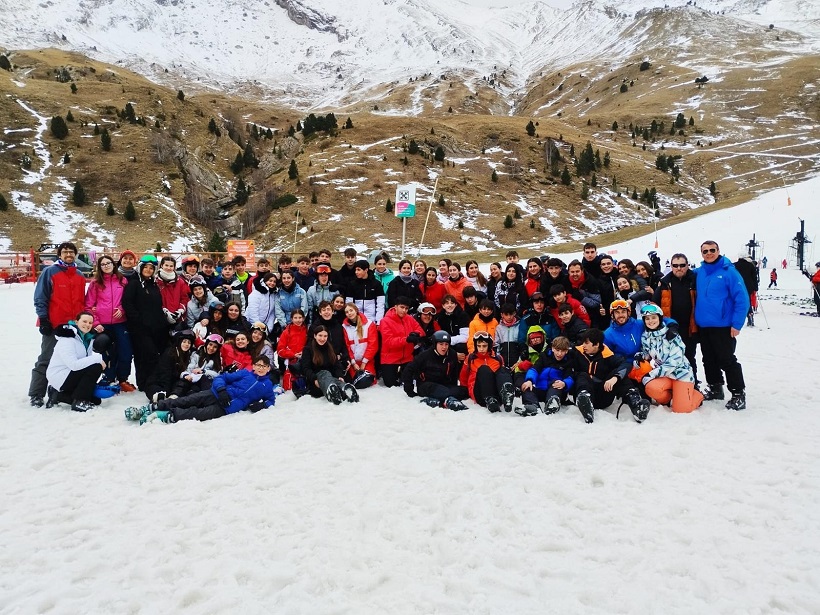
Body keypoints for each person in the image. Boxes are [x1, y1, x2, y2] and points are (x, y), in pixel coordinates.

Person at [125, 355, 279, 424]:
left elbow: (271, 401)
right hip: (215, 394)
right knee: (187, 400)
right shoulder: (245, 373)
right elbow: (222, 378)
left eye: (264, 366)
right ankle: (150, 408)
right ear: (254, 365)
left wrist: (261, 405)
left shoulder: (267, 387)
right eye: (258, 365)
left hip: (226, 408)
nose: (260, 368)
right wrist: (221, 390)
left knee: (197, 414)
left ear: (268, 369)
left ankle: (161, 415)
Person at [29, 241, 87, 407]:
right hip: (54, 324)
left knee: (69, 360)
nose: (68, 255)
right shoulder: (50, 272)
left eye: (71, 252)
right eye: (65, 252)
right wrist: (44, 319)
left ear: (75, 255)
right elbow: (40, 297)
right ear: (59, 255)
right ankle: (36, 393)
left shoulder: (79, 275)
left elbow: (80, 301)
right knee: (46, 358)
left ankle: (58, 391)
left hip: (73, 327)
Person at [694, 240, 749, 410]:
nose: (709, 253)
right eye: (705, 251)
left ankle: (738, 393)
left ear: (718, 251)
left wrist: (737, 324)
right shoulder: (700, 272)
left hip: (723, 326)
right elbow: (680, 274)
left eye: (712, 250)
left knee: (726, 359)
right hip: (704, 325)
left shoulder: (729, 272)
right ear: (701, 254)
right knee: (708, 359)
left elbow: (742, 299)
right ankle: (715, 387)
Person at [566, 328, 647, 424]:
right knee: (582, 375)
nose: (583, 345)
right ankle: (585, 404)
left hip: (603, 396)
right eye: (583, 342)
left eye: (587, 343)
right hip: (582, 392)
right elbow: (559, 351)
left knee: (619, 374)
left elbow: (626, 365)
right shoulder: (577, 352)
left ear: (596, 344)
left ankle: (636, 405)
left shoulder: (608, 356)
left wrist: (615, 378)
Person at [637, 304, 703, 414]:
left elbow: (674, 362)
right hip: (665, 376)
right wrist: (640, 355)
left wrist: (652, 374)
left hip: (680, 374)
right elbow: (647, 353)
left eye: (654, 317)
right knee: (650, 388)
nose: (650, 321)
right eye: (647, 319)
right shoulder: (645, 337)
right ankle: (671, 397)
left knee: (681, 410)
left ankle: (697, 396)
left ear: (660, 318)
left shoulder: (671, 334)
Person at [85, 254, 134, 391]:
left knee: (125, 351)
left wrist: (122, 309)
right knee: (108, 352)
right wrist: (96, 323)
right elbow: (89, 305)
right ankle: (108, 378)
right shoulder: (95, 283)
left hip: (120, 322)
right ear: (100, 267)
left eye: (109, 263)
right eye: (103, 264)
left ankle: (123, 378)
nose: (106, 266)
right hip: (103, 324)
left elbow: (128, 300)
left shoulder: (122, 280)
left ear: (114, 264)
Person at [45, 312, 107, 412]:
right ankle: (79, 402)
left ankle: (57, 395)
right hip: (60, 376)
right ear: (76, 321)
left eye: (90, 323)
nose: (87, 325)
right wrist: (98, 359)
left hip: (71, 374)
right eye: (84, 321)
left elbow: (85, 362)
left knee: (96, 400)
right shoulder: (67, 339)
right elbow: (73, 365)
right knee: (96, 367)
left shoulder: (87, 339)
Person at [123, 254, 168, 391]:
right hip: (140, 328)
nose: (148, 270)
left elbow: (156, 306)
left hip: (155, 327)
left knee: (153, 356)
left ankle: (152, 381)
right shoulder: (134, 284)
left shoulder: (153, 285)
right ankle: (143, 383)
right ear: (140, 268)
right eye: (146, 267)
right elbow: (128, 303)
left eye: (151, 268)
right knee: (144, 356)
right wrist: (138, 321)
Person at [653, 253, 699, 382]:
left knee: (689, 356)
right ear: (671, 266)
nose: (679, 268)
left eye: (682, 265)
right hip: (670, 328)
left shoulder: (694, 280)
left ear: (687, 265)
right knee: (670, 357)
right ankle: (673, 384)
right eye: (675, 265)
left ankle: (692, 383)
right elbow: (655, 304)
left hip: (690, 327)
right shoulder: (665, 283)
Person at [402, 330, 468, 410]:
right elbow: (408, 369)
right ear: (435, 344)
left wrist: (454, 387)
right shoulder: (425, 355)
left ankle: (437, 400)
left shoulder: (452, 354)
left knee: (463, 391)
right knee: (440, 389)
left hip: (444, 385)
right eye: (441, 344)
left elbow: (454, 373)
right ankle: (448, 400)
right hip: (426, 385)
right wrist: (409, 390)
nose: (444, 347)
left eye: (446, 344)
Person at [299, 325, 359, 404]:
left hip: (331, 378)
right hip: (316, 382)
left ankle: (344, 389)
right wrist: (314, 379)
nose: (322, 339)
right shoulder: (308, 349)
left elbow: (336, 364)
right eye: (320, 335)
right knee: (324, 373)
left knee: (333, 379)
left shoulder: (330, 347)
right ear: (315, 336)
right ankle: (333, 391)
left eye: (325, 336)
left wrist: (340, 376)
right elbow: (306, 368)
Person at [518, 335, 575, 417]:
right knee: (526, 387)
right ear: (553, 348)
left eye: (562, 351)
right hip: (540, 388)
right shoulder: (544, 356)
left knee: (556, 385)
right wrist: (529, 380)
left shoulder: (568, 361)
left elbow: (570, 377)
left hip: (555, 388)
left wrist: (564, 383)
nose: (559, 354)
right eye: (557, 350)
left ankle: (552, 404)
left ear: (566, 351)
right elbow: (534, 369)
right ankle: (533, 406)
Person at [459, 332, 515, 413]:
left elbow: (501, 375)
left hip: (495, 391)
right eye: (479, 346)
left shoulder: (498, 358)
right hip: (480, 394)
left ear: (489, 346)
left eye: (484, 346)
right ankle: (490, 399)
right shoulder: (471, 358)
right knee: (484, 369)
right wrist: (464, 391)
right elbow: (463, 377)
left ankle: (506, 395)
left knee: (503, 370)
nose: (481, 349)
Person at [379, 296, 424, 387]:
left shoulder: (410, 318)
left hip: (407, 358)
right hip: (390, 359)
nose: (404, 310)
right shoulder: (385, 321)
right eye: (402, 307)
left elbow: (421, 331)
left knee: (410, 381)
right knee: (390, 385)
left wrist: (415, 334)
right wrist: (407, 339)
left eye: (406, 308)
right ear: (395, 307)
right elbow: (389, 342)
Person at [143, 329, 195, 403]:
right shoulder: (170, 353)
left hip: (173, 384)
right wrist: (166, 392)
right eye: (184, 342)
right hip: (158, 382)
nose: (186, 344)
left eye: (189, 343)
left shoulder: (188, 355)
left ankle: (172, 398)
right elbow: (165, 374)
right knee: (158, 394)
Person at [173, 333, 224, 397]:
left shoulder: (218, 360)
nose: (211, 348)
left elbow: (217, 374)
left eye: (215, 347)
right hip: (192, 379)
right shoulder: (196, 354)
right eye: (210, 345)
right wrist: (185, 375)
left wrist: (204, 371)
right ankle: (173, 396)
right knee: (183, 383)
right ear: (206, 344)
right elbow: (189, 368)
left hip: (205, 383)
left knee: (201, 381)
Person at [341, 303, 379, 382]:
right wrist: (353, 362)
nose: (349, 313)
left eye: (351, 310)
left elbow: (373, 345)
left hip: (367, 361)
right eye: (347, 312)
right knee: (353, 381)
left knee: (369, 381)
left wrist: (364, 362)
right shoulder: (344, 327)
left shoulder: (369, 324)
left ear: (356, 310)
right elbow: (347, 346)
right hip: (353, 362)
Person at [346, 260, 386, 325]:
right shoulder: (352, 284)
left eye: (359, 270)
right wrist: (352, 320)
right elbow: (349, 304)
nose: (356, 272)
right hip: (356, 320)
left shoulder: (376, 284)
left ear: (366, 270)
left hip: (372, 321)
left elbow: (380, 304)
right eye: (355, 270)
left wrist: (378, 322)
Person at [156, 256, 189, 330]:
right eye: (166, 265)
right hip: (161, 319)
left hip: (178, 319)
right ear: (161, 265)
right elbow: (155, 300)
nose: (168, 268)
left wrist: (180, 311)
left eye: (171, 266)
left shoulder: (180, 282)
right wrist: (165, 312)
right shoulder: (156, 282)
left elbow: (184, 298)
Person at [436, 294, 470, 361]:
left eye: (452, 303)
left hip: (458, 344)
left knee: (460, 346)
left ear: (456, 305)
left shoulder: (463, 316)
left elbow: (465, 337)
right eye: (447, 303)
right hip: (445, 343)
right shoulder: (440, 317)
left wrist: (450, 340)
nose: (450, 305)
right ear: (443, 306)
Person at [277, 309, 309, 375]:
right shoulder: (286, 332)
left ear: (303, 318)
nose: (298, 320)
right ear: (291, 319)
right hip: (290, 362)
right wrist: (293, 354)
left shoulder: (307, 331)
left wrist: (304, 353)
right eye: (295, 318)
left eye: (300, 317)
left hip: (305, 360)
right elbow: (280, 350)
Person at [734, 254, 760, 327]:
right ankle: (750, 314)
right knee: (747, 301)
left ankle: (736, 319)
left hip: (737, 286)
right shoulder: (750, 265)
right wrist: (755, 288)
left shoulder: (734, 265)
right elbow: (754, 277)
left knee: (736, 302)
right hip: (748, 287)